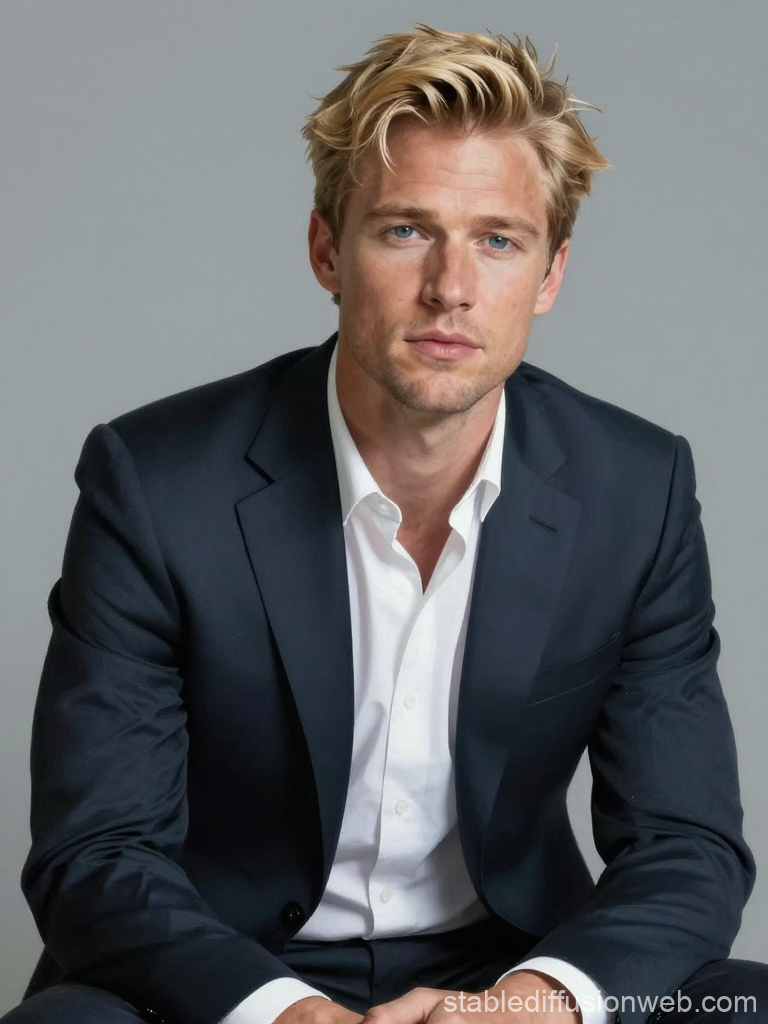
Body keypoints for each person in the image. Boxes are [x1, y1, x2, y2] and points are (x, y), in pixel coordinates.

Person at [3, 24, 767, 1024]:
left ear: (550, 275)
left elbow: (687, 845)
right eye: (405, 229)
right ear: (327, 248)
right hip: (217, 972)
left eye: (498, 239)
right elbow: (95, 851)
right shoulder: (154, 482)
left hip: (509, 965)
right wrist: (284, 1012)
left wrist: (531, 1004)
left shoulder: (637, 488)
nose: (452, 287)